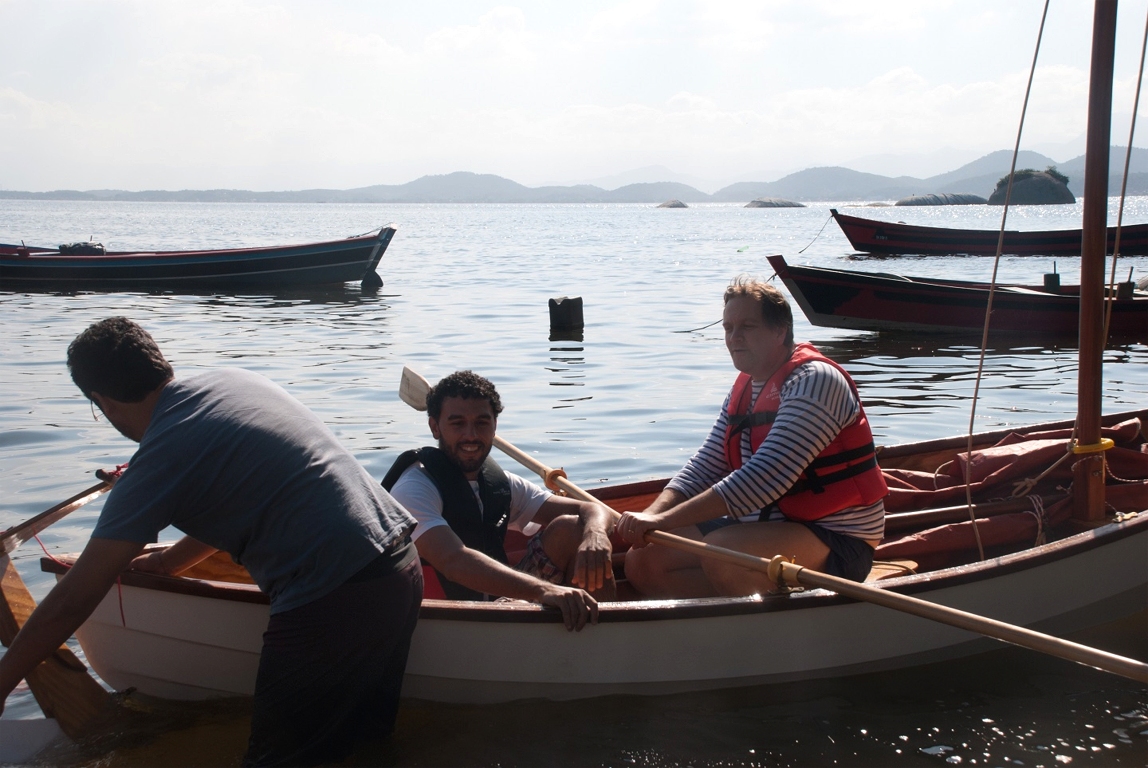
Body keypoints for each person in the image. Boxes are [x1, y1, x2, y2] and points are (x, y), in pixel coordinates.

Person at [0, 317, 421, 767]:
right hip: (399, 570)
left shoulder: (158, 461)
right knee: (367, 746)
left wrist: (3, 682)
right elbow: (242, 489)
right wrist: (165, 566)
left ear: (100, 402)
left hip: (333, 600)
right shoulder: (231, 381)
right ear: (160, 362)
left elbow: (73, 598)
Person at [618, 277, 887, 597]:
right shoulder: (746, 385)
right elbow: (706, 465)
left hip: (839, 537)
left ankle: (772, 638)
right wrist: (652, 515)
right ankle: (717, 632)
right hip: (768, 525)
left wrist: (664, 521)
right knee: (643, 560)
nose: (734, 338)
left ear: (780, 331)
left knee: (726, 554)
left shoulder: (816, 381)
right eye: (728, 328)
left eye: (747, 326)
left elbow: (765, 478)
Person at [383, 370, 614, 631]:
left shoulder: (498, 482)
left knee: (573, 529)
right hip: (451, 613)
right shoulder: (414, 488)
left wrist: (595, 533)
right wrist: (544, 590)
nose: (471, 435)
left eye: (482, 422)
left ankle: (599, 638)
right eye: (457, 423)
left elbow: (591, 508)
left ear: (495, 426)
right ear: (435, 427)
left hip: (501, 602)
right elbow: (453, 561)